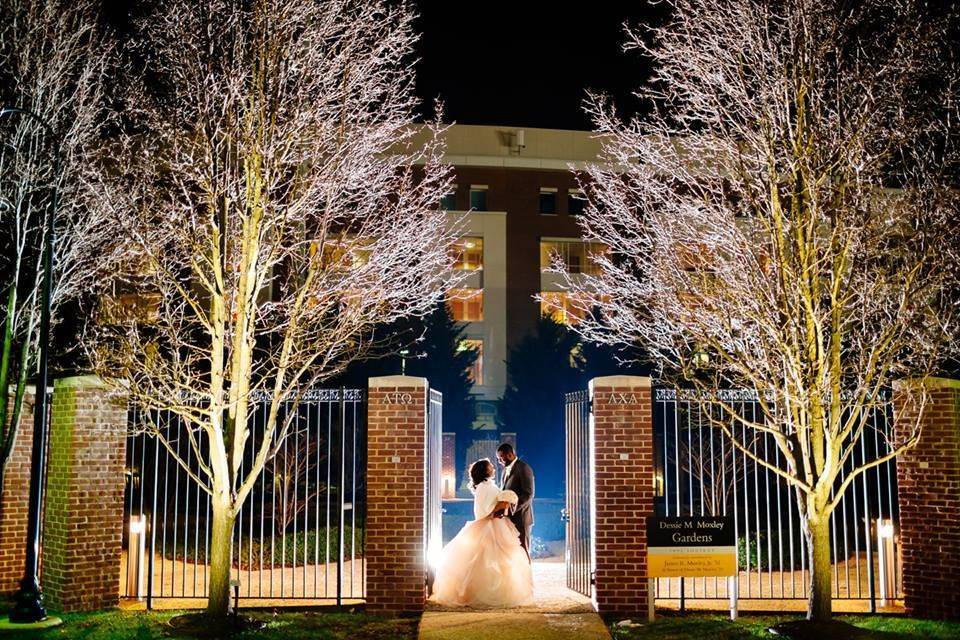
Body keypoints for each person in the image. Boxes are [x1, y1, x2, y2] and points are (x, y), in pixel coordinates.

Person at [431, 458, 534, 607]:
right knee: (483, 560)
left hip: (498, 524)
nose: (493, 466)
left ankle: (500, 591)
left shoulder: (489, 485)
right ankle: (479, 592)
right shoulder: (483, 487)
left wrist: (504, 504)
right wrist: (497, 509)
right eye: (490, 465)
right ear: (485, 470)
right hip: (489, 526)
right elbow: (482, 510)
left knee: (500, 561)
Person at [494, 443, 535, 559]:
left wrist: (510, 508)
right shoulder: (504, 471)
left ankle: (527, 576)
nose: (499, 461)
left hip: (521, 518)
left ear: (510, 455)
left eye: (501, 458)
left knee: (523, 550)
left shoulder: (524, 468)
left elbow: (528, 494)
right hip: (508, 519)